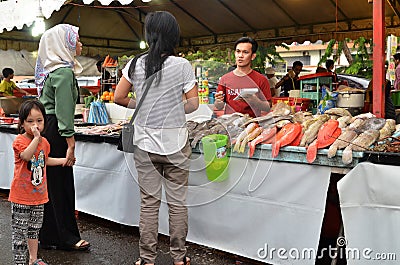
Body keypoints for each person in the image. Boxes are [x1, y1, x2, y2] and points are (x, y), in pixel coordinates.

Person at [114, 11, 198, 265]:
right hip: (176, 144)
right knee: (177, 203)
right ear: (173, 35)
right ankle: (179, 258)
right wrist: (172, 107)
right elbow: (193, 104)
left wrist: (143, 104)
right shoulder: (182, 65)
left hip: (145, 144)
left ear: (149, 35)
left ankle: (146, 259)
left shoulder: (134, 64)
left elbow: (118, 97)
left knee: (149, 204)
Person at [34, 24, 90, 251]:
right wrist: (71, 144)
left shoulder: (51, 72)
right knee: (62, 186)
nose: (80, 44)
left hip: (47, 130)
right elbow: (64, 113)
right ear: (64, 44)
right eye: (76, 40)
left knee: (51, 185)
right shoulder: (64, 73)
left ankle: (48, 236)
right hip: (57, 132)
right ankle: (67, 237)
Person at [9, 99, 69, 265]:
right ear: (21, 123)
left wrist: (63, 160)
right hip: (21, 196)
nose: (35, 125)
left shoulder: (45, 143)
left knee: (34, 230)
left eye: (39, 121)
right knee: (19, 233)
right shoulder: (20, 141)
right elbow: (26, 156)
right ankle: (20, 262)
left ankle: (33, 259)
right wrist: (36, 138)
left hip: (39, 195)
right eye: (30, 121)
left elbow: (44, 160)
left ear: (45, 121)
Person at [214, 37, 271, 117]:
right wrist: (218, 101)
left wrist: (256, 101)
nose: (240, 56)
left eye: (245, 52)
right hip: (230, 124)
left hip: (252, 125)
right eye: (238, 51)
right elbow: (219, 106)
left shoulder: (261, 79)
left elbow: (268, 107)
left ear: (253, 56)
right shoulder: (224, 79)